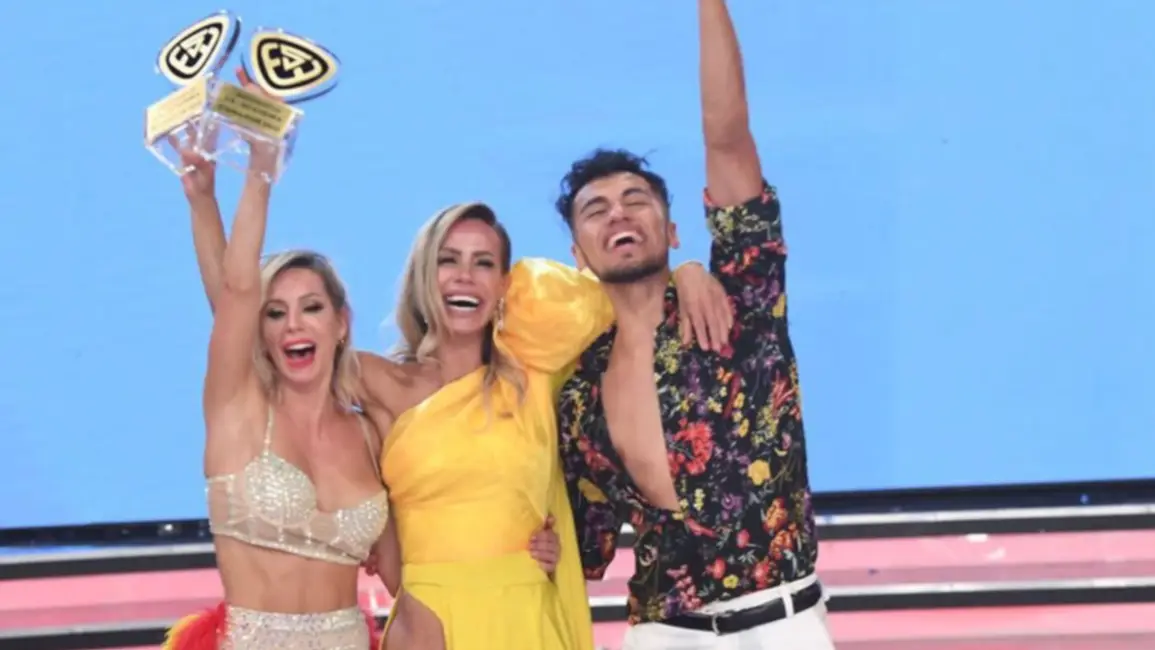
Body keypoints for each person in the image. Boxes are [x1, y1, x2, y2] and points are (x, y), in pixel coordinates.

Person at [162, 73, 563, 650]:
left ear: (341, 322)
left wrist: (520, 548)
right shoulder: (239, 407)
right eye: (275, 314)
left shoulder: (371, 430)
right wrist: (251, 175)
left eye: (312, 308)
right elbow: (235, 292)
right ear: (259, 331)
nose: (294, 325)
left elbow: (410, 563)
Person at [555, 2, 835, 649]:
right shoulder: (576, 391)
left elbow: (727, 137)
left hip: (782, 622)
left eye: (635, 199)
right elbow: (582, 544)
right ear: (577, 254)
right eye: (595, 210)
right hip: (661, 631)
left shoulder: (741, 305)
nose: (617, 214)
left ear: (673, 229)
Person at [358, 201, 731, 650]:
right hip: (429, 626)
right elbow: (285, 366)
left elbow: (619, 297)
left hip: (529, 619)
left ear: (505, 284)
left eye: (483, 263)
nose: (465, 276)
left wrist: (685, 272)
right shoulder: (378, 383)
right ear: (422, 275)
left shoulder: (536, 375)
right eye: (448, 260)